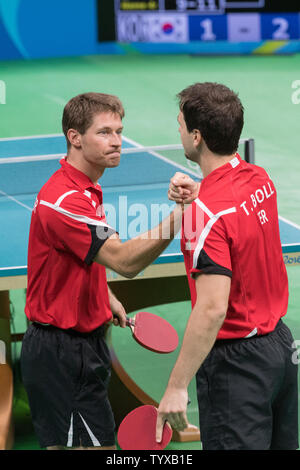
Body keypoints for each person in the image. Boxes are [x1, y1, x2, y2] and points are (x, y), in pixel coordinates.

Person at [20, 92, 198, 450]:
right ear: (75, 137)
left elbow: (79, 258)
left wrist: (105, 294)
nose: (116, 141)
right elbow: (124, 260)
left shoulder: (86, 189)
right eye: (104, 132)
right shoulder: (65, 201)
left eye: (119, 131)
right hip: (61, 353)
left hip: (82, 344)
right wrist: (180, 214)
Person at [156, 82, 299, 450]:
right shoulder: (259, 179)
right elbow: (229, 206)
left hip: (237, 368)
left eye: (181, 125)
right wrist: (197, 194)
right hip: (281, 350)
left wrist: (176, 385)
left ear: (198, 136)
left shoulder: (202, 216)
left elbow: (212, 308)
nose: (179, 131)